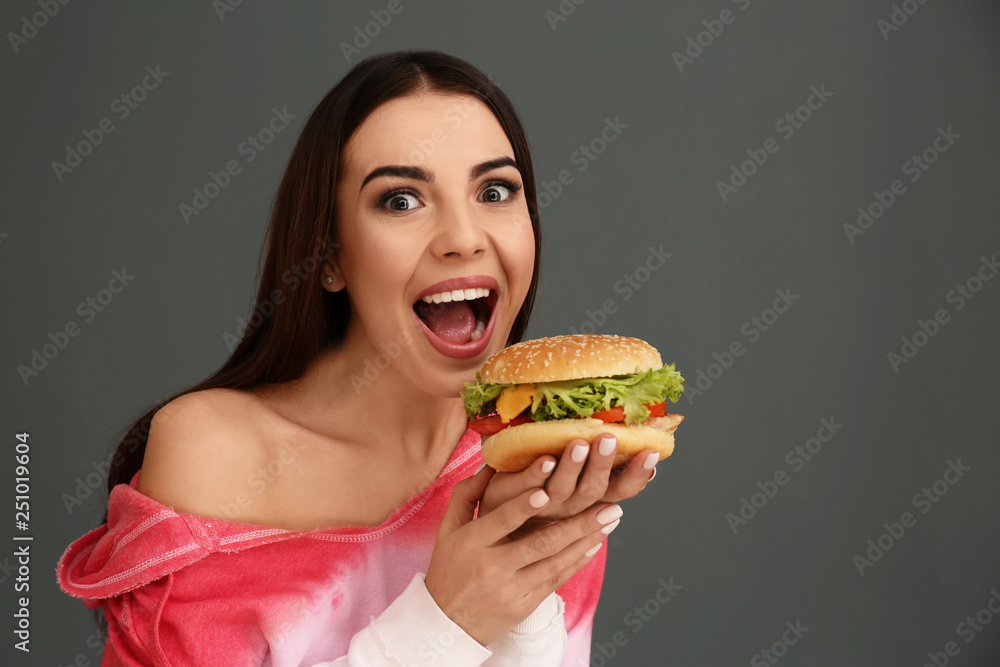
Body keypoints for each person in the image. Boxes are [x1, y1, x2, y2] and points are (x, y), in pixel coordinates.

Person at [57, 50, 660, 666]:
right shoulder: (216, 453)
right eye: (401, 200)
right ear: (329, 256)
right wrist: (448, 621)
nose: (463, 238)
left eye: (495, 190)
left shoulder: (536, 463)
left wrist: (528, 590)